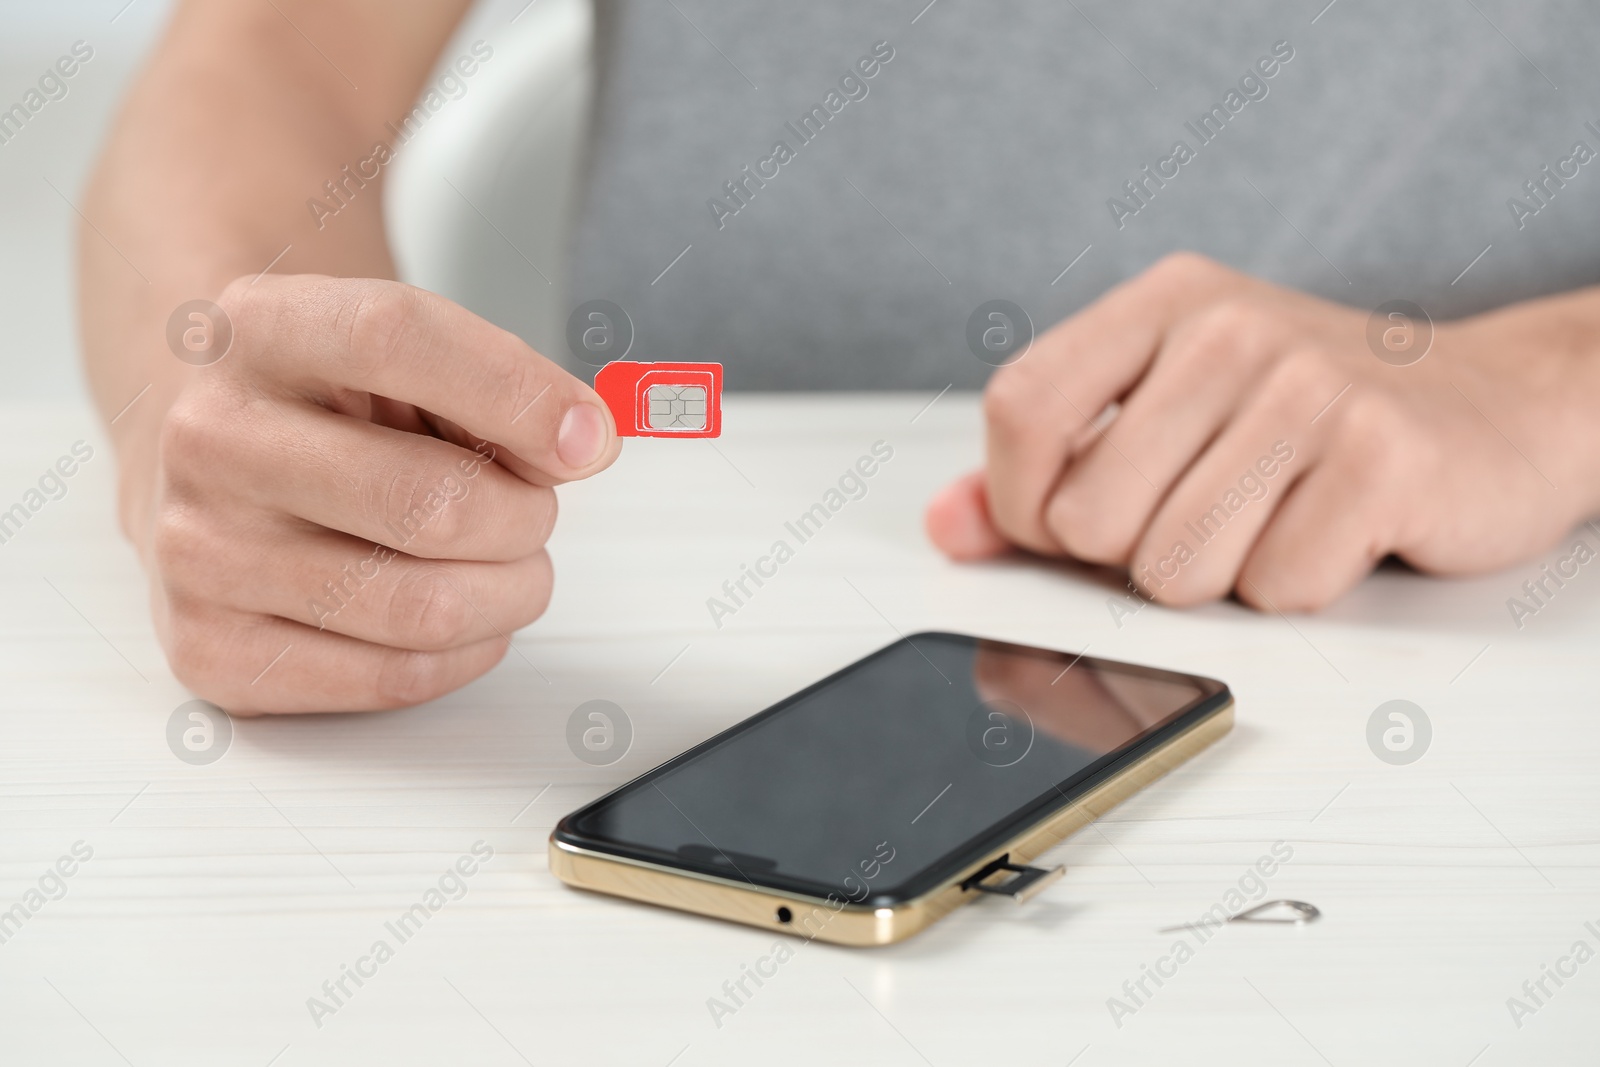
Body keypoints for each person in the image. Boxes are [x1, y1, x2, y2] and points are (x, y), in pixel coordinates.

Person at [79, 0, 1600, 713]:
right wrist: (218, 401)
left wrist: (1554, 376)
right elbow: (266, 53)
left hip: (1475, 635)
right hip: (671, 637)